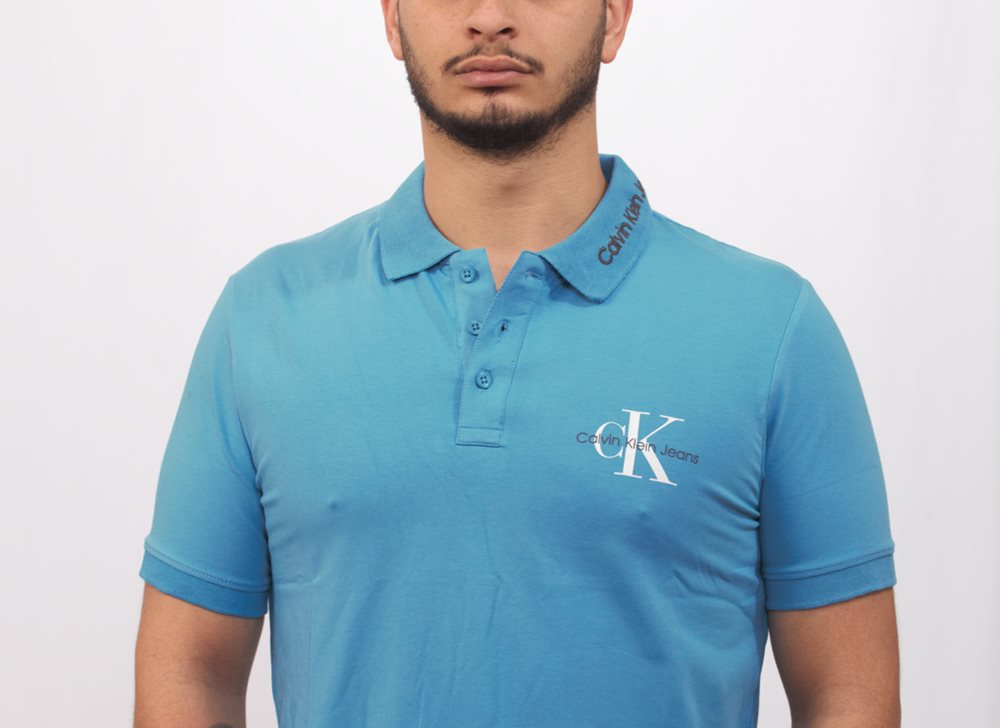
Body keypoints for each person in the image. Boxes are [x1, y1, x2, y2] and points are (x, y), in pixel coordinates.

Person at [133, 1, 900, 726]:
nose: (490, 17)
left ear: (614, 16)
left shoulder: (770, 329)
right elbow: (188, 673)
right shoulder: (264, 317)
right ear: (392, 18)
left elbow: (849, 694)